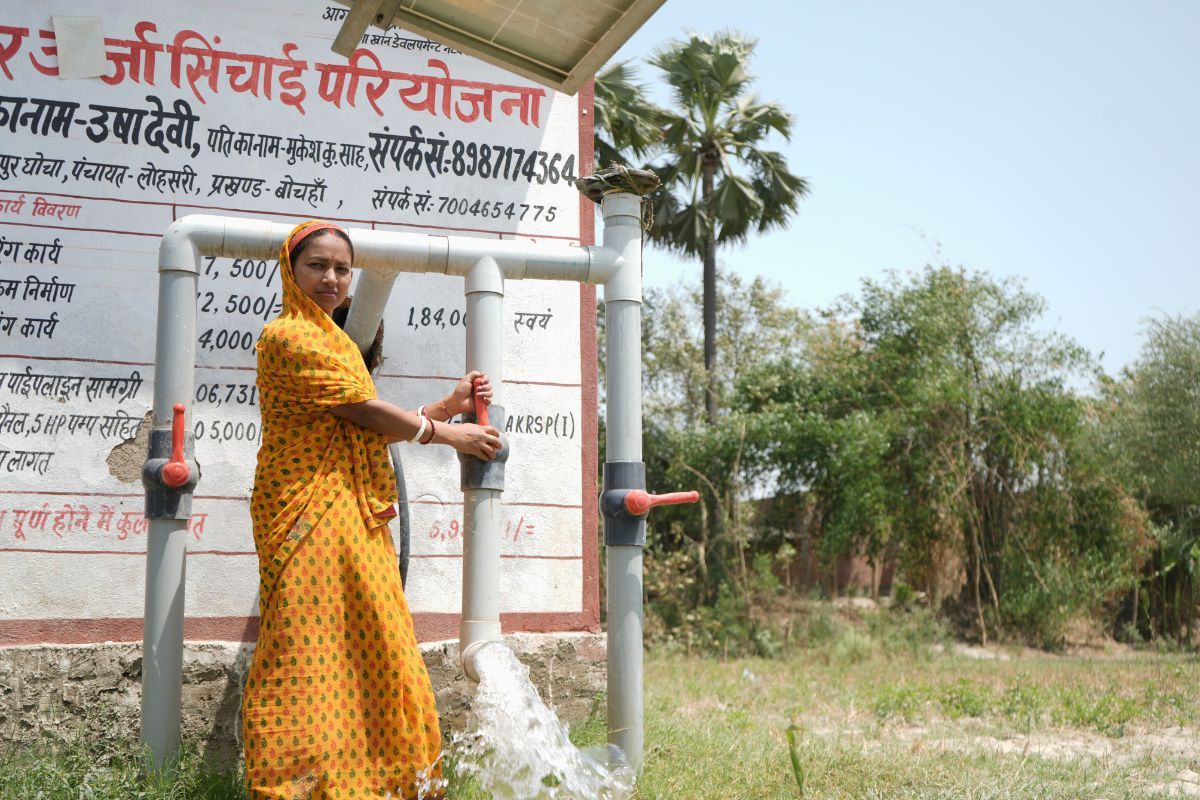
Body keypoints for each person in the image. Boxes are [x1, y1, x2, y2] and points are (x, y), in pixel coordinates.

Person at [241, 219, 501, 799]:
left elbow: (357, 425)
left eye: (340, 268)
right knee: (305, 653)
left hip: (351, 516)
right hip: (304, 513)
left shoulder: (332, 344)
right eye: (317, 266)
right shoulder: (287, 336)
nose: (330, 278)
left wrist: (445, 406)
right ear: (291, 269)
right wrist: (447, 433)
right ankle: (295, 788)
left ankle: (382, 785)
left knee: (378, 643)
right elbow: (362, 411)